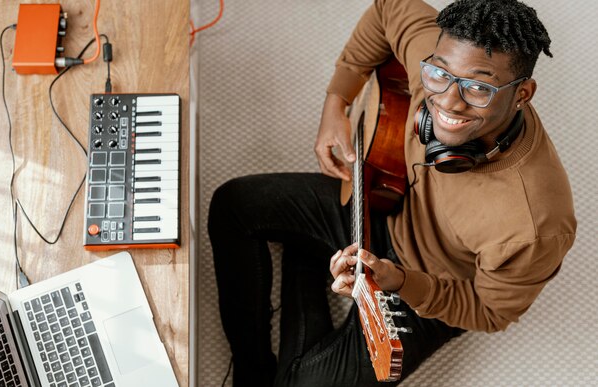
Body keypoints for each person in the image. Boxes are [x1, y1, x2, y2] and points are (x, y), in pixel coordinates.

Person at [207, 0, 577, 385]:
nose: (447, 102)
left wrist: (400, 280)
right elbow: (388, 9)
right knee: (234, 204)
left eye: (478, 88)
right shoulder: (441, 56)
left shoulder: (535, 224)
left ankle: (307, 256)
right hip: (384, 193)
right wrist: (337, 101)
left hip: (430, 281)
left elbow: (488, 312)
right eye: (439, 74)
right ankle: (253, 365)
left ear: (523, 94)